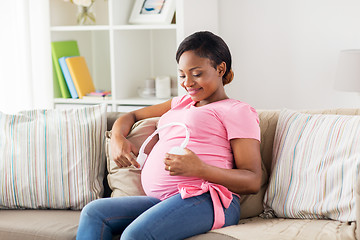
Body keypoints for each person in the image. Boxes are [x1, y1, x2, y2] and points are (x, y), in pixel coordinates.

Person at [76, 31, 262, 240]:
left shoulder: (237, 110)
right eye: (182, 75)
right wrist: (118, 138)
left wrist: (199, 169)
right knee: (94, 213)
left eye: (197, 73)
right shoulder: (180, 103)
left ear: (220, 69)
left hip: (209, 199)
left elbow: (253, 179)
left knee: (135, 235)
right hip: (166, 200)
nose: (187, 83)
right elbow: (131, 115)